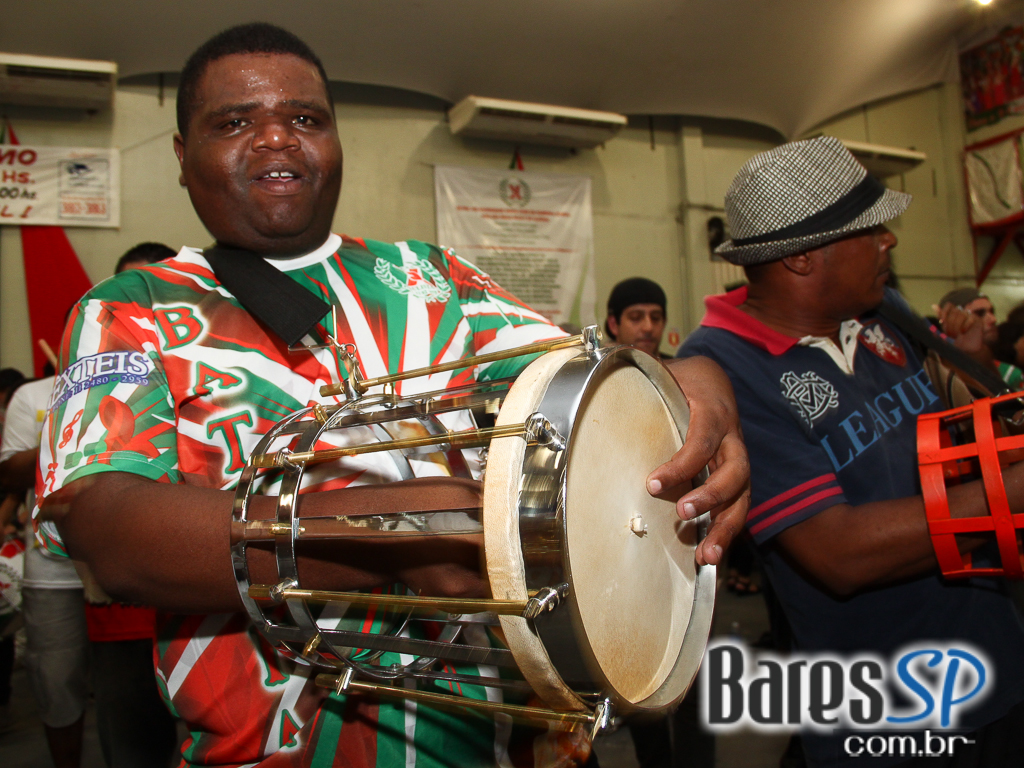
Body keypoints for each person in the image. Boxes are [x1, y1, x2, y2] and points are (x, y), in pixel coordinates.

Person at [33, 23, 749, 768]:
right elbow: (106, 528)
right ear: (183, 157)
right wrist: (391, 538)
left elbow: (600, 380)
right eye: (235, 121)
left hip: (505, 742)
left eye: (305, 119)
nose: (277, 138)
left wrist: (702, 391)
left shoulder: (432, 279)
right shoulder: (134, 308)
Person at [679, 136, 1024, 767]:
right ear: (805, 258)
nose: (890, 240)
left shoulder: (880, 309)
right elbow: (839, 553)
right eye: (871, 228)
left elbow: (945, 440)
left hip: (999, 662)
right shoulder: (724, 369)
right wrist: (1012, 494)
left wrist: (971, 367)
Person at [0, 375, 88, 768]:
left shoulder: (134, 385)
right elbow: (9, 475)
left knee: (130, 689)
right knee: (56, 684)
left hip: (116, 564)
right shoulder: (32, 395)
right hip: (52, 572)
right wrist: (62, 437)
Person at [934, 287, 1024, 390]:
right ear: (952, 319)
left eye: (992, 311)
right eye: (979, 313)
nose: (993, 319)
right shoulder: (936, 370)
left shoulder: (1010, 373)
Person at [604, 277, 668, 358]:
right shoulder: (600, 370)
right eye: (635, 318)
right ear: (613, 325)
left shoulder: (677, 368)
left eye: (655, 318)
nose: (648, 327)